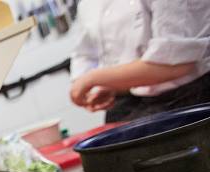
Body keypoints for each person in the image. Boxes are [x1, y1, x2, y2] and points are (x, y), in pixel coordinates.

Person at [69, 0, 210, 123]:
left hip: (190, 100)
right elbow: (84, 52)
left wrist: (94, 78)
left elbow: (176, 63)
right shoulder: (88, 4)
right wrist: (113, 84)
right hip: (131, 104)